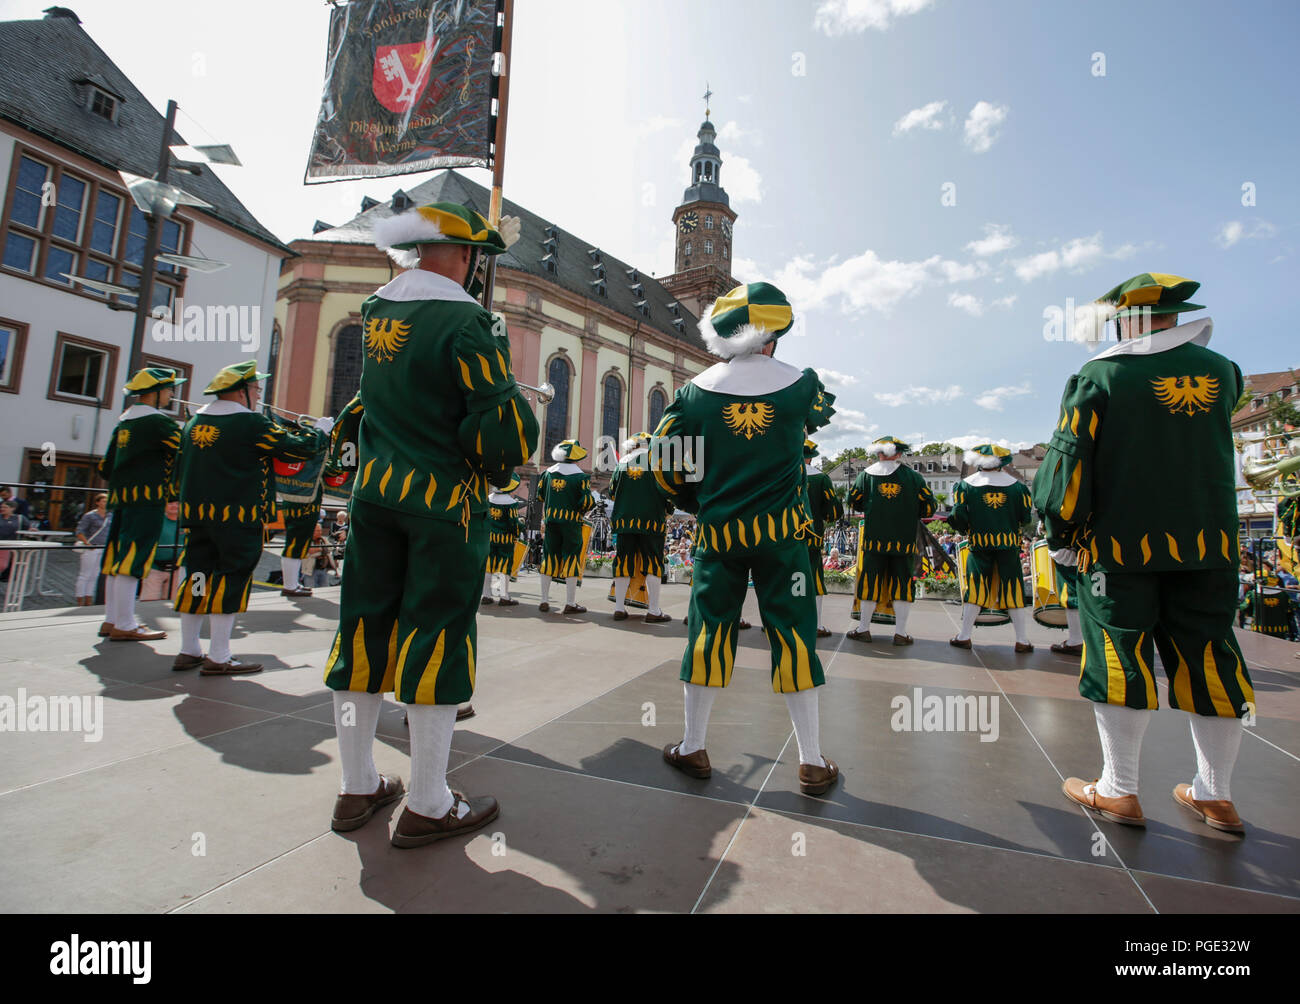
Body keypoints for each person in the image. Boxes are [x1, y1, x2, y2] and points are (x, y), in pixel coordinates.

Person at [322, 201, 537, 847]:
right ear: (468, 256)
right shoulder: (472, 321)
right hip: (443, 503)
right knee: (437, 636)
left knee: (361, 630)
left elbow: (374, 402)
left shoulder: (377, 309)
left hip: (375, 497)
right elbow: (496, 430)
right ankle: (429, 801)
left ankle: (356, 786)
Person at [1034, 272, 1255, 833]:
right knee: (1212, 656)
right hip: (1210, 544)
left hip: (1120, 546)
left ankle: (1119, 789)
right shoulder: (1224, 371)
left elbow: (1068, 462)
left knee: (1118, 657)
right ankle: (1216, 794)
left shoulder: (1101, 375)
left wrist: (1060, 536)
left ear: (1124, 320)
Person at [650, 281, 840, 795]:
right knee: (794, 633)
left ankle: (693, 747)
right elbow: (810, 425)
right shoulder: (803, 385)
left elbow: (664, 459)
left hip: (719, 535)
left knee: (709, 630)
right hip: (784, 537)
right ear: (774, 335)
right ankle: (812, 760)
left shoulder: (693, 392)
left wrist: (696, 500)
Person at [174, 360, 329, 674]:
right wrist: (320, 432)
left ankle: (188, 649)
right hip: (237, 517)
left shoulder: (194, 422)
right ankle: (219, 655)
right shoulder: (250, 423)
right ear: (241, 391)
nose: (259, 394)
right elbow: (296, 449)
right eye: (256, 388)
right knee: (232, 577)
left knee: (198, 577)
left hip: (198, 516)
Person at [97, 367, 185, 640]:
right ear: (156, 392)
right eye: (170, 389)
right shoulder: (159, 423)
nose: (172, 394)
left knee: (115, 559)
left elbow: (106, 466)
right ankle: (125, 624)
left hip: (120, 499)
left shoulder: (124, 422)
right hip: (147, 499)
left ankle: (111, 620)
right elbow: (184, 452)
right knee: (134, 560)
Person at [846, 436, 936, 645]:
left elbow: (853, 501)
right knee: (902, 586)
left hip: (873, 541)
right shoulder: (913, 477)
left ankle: (863, 629)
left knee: (870, 583)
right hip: (903, 542)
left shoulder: (865, 476)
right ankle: (900, 633)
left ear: (879, 453)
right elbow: (929, 506)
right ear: (898, 454)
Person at [949, 445, 1034, 651]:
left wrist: (966, 529)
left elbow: (958, 515)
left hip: (979, 544)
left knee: (975, 587)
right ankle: (1021, 640)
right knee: (1013, 588)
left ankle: (965, 635)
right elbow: (1026, 517)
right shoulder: (1018, 487)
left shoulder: (965, 486)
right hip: (1009, 544)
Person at [609, 432, 674, 623]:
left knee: (622, 562)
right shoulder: (657, 462)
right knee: (653, 563)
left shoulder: (621, 463)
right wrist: (668, 510)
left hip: (624, 521)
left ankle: (619, 608)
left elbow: (613, 492)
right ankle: (653, 610)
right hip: (651, 521)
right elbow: (667, 491)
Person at [274, 420, 334, 598]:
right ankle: (290, 585)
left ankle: (292, 584)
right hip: (305, 501)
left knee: (296, 542)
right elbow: (328, 470)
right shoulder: (308, 452)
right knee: (296, 542)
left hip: (297, 498)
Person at [538, 439, 594, 614]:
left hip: (551, 521)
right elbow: (586, 502)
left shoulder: (547, 473)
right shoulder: (581, 477)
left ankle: (544, 599)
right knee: (571, 557)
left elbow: (540, 496)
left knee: (549, 556)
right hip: (571, 523)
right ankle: (570, 602)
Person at [802, 440, 844, 638]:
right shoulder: (821, 478)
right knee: (814, 580)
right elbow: (833, 512)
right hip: (811, 538)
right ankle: (816, 624)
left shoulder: (779, 474)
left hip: (783, 540)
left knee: (782, 579)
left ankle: (776, 623)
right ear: (810, 457)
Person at [483, 474, 525, 606]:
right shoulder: (511, 503)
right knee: (504, 567)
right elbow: (513, 524)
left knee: (488, 566)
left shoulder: (488, 499)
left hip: (489, 538)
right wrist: (521, 524)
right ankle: (504, 596)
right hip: (505, 540)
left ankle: (486, 594)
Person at [138, 501, 185, 602]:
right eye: (170, 503)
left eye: (177, 503)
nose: (174, 506)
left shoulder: (186, 522)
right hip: (155, 567)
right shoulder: (156, 520)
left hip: (177, 569)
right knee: (149, 600)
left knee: (175, 601)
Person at [74, 492, 111, 606]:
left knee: (95, 575)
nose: (106, 503)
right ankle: (80, 600)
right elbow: (80, 531)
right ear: (97, 502)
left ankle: (88, 599)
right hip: (92, 548)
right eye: (104, 501)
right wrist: (87, 544)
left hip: (104, 547)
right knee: (85, 574)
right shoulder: (90, 516)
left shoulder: (111, 515)